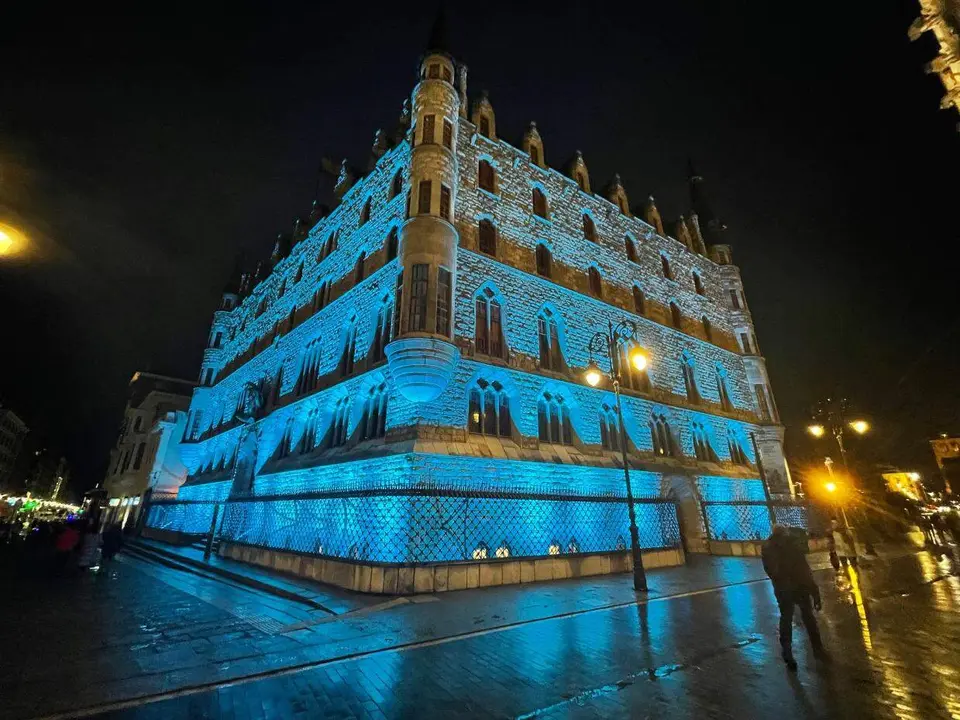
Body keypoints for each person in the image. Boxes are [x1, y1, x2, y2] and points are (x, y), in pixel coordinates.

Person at [761, 525, 827, 671]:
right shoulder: (793, 544)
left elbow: (770, 570)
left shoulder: (767, 547)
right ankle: (818, 649)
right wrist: (814, 592)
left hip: (783, 589)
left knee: (786, 618)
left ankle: (787, 651)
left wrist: (779, 582)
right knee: (808, 617)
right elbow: (804, 570)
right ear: (785, 532)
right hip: (800, 587)